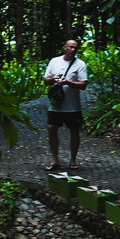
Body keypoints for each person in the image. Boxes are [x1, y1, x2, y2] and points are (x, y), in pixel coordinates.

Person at [42, 37, 89, 171]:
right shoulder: (54, 61)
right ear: (65, 48)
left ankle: (73, 160)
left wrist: (69, 82)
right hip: (56, 104)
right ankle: (55, 159)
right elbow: (46, 80)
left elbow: (84, 85)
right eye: (70, 47)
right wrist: (54, 79)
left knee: (74, 131)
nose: (73, 50)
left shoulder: (80, 64)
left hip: (72, 106)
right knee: (51, 128)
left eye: (75, 48)